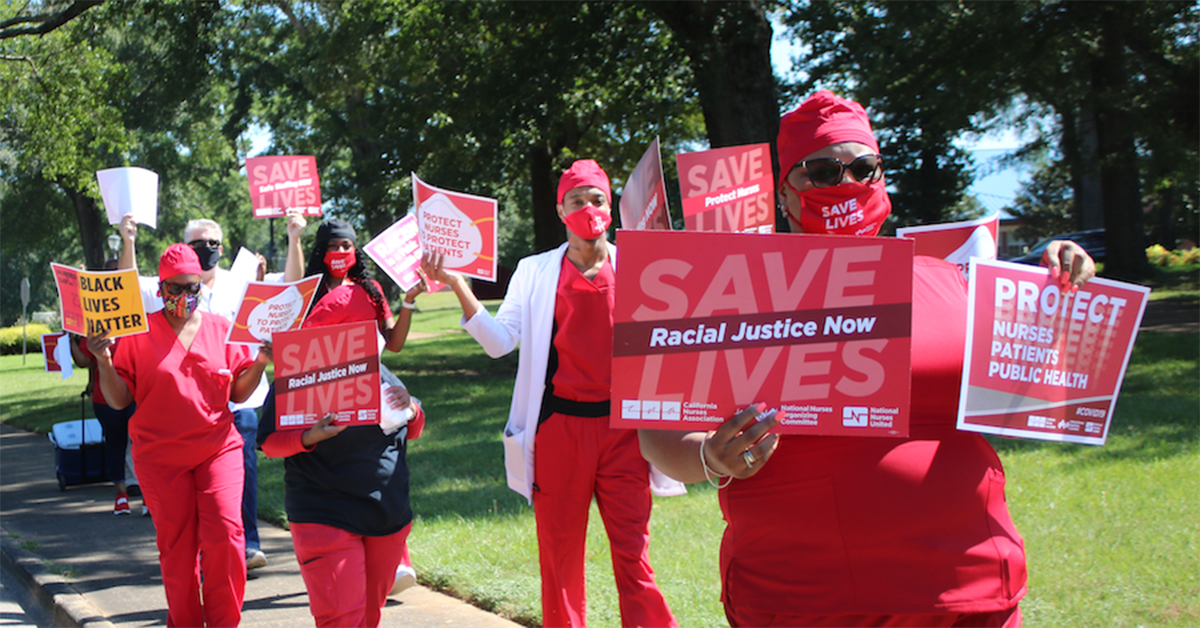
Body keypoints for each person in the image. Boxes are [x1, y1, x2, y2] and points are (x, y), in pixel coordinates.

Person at [638, 90, 1097, 628]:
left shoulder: (951, 282)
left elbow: (1045, 388)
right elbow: (657, 434)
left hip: (966, 594)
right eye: (823, 171)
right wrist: (712, 459)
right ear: (785, 193)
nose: (847, 183)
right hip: (799, 600)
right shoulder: (728, 293)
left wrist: (1055, 288)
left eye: (863, 168)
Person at [422, 159, 680, 628]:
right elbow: (501, 343)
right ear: (562, 211)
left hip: (625, 433)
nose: (588, 209)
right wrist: (459, 285)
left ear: (611, 207)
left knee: (634, 555)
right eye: (577, 201)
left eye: (597, 199)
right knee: (560, 560)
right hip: (560, 431)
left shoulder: (639, 265)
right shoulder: (535, 271)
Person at [87, 244, 272, 628]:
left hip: (217, 448)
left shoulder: (222, 329)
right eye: (176, 288)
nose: (185, 296)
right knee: (178, 547)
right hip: (160, 456)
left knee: (226, 535)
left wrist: (260, 362)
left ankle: (224, 622)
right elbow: (120, 400)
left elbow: (238, 392)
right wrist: (104, 361)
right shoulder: (137, 335)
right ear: (161, 289)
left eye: (192, 287)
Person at [261, 214, 426, 626]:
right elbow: (268, 441)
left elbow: (413, 424)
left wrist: (413, 406)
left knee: (368, 616)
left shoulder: (385, 372)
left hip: (386, 517)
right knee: (343, 618)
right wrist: (309, 436)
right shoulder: (298, 375)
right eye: (332, 246)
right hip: (323, 511)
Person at [119, 215, 272, 566]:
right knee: (181, 540)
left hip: (230, 414)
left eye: (213, 244)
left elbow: (273, 303)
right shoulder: (154, 311)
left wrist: (292, 237)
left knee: (231, 500)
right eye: (176, 288)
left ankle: (247, 545)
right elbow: (127, 287)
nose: (186, 295)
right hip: (170, 437)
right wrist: (128, 240)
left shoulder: (238, 281)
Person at [68, 258, 138, 515]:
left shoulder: (139, 312)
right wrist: (72, 339)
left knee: (141, 440)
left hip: (138, 392)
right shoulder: (96, 318)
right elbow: (85, 360)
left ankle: (145, 492)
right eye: (110, 276)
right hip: (104, 395)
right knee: (115, 442)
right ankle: (121, 495)